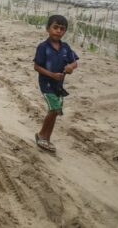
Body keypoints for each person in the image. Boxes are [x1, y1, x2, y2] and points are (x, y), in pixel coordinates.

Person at [33, 15, 78, 153]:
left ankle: (47, 137)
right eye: (55, 27)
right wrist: (51, 74)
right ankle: (41, 135)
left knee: (56, 111)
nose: (58, 31)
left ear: (65, 31)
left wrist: (70, 67)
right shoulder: (43, 47)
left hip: (58, 86)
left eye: (62, 29)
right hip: (46, 84)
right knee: (54, 108)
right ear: (48, 29)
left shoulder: (65, 48)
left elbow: (74, 62)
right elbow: (36, 66)